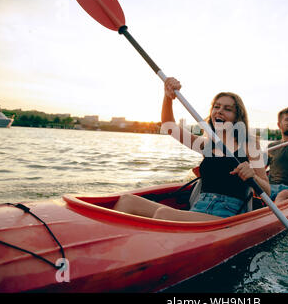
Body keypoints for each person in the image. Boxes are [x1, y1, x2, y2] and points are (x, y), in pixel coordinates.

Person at [114, 77, 270, 221]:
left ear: (237, 117)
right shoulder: (206, 144)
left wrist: (253, 177)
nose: (219, 111)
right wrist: (168, 96)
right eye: (216, 106)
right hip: (198, 208)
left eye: (227, 109)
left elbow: (267, 192)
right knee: (127, 201)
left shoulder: (249, 145)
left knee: (163, 214)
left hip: (227, 215)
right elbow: (170, 127)